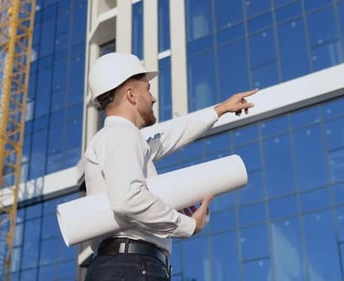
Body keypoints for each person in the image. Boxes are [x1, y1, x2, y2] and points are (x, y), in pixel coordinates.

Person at [83, 52, 258, 281]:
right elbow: (128, 199)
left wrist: (219, 110)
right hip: (132, 266)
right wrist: (188, 225)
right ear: (131, 95)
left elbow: (169, 136)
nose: (153, 98)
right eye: (147, 89)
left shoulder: (116, 138)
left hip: (127, 265)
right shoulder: (121, 135)